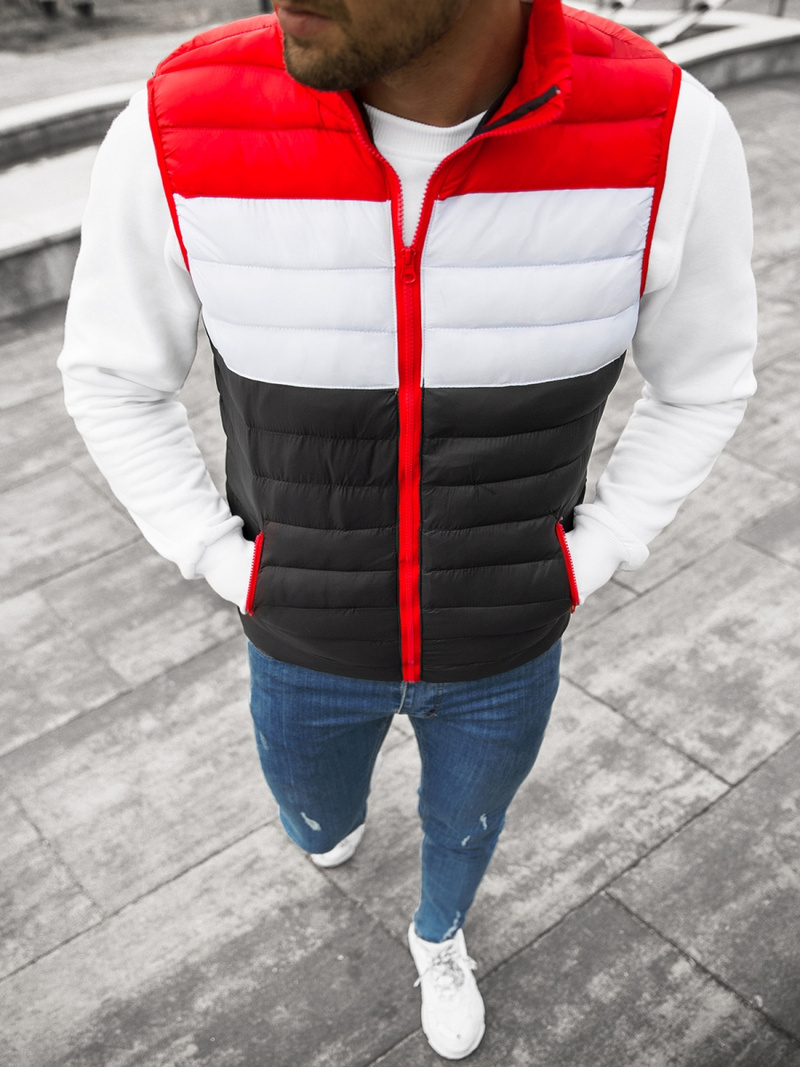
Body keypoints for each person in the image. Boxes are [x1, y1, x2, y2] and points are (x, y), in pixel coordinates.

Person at [58, 0, 756, 1057]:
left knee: (466, 824)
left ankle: (439, 931)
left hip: (504, 642)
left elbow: (704, 382)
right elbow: (114, 378)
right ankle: (328, 828)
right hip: (298, 636)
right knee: (314, 816)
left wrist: (596, 551)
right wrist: (218, 559)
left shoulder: (667, 130)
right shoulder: (178, 119)